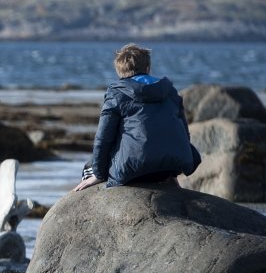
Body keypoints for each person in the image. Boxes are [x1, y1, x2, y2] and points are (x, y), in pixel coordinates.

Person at [74, 44, 200, 192]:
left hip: (135, 170)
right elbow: (184, 133)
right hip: (173, 167)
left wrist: (99, 174)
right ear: (148, 68)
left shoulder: (117, 93)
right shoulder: (170, 91)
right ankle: (170, 179)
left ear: (120, 72)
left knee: (89, 168)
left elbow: (103, 138)